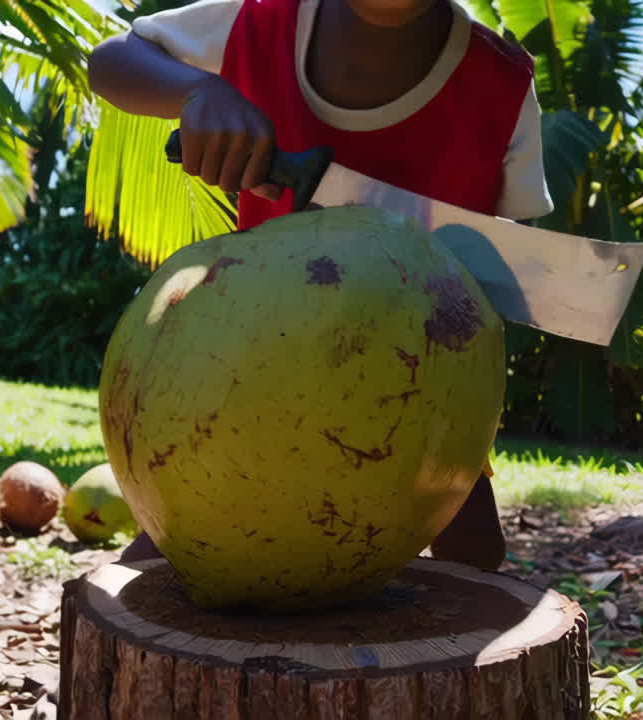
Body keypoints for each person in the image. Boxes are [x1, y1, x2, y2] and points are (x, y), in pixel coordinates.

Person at [88, 0, 553, 571]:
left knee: (476, 556)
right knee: (159, 567)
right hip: (252, 378)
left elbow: (507, 258)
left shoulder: (503, 84)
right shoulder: (258, 21)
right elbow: (112, 59)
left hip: (424, 396)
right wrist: (196, 93)